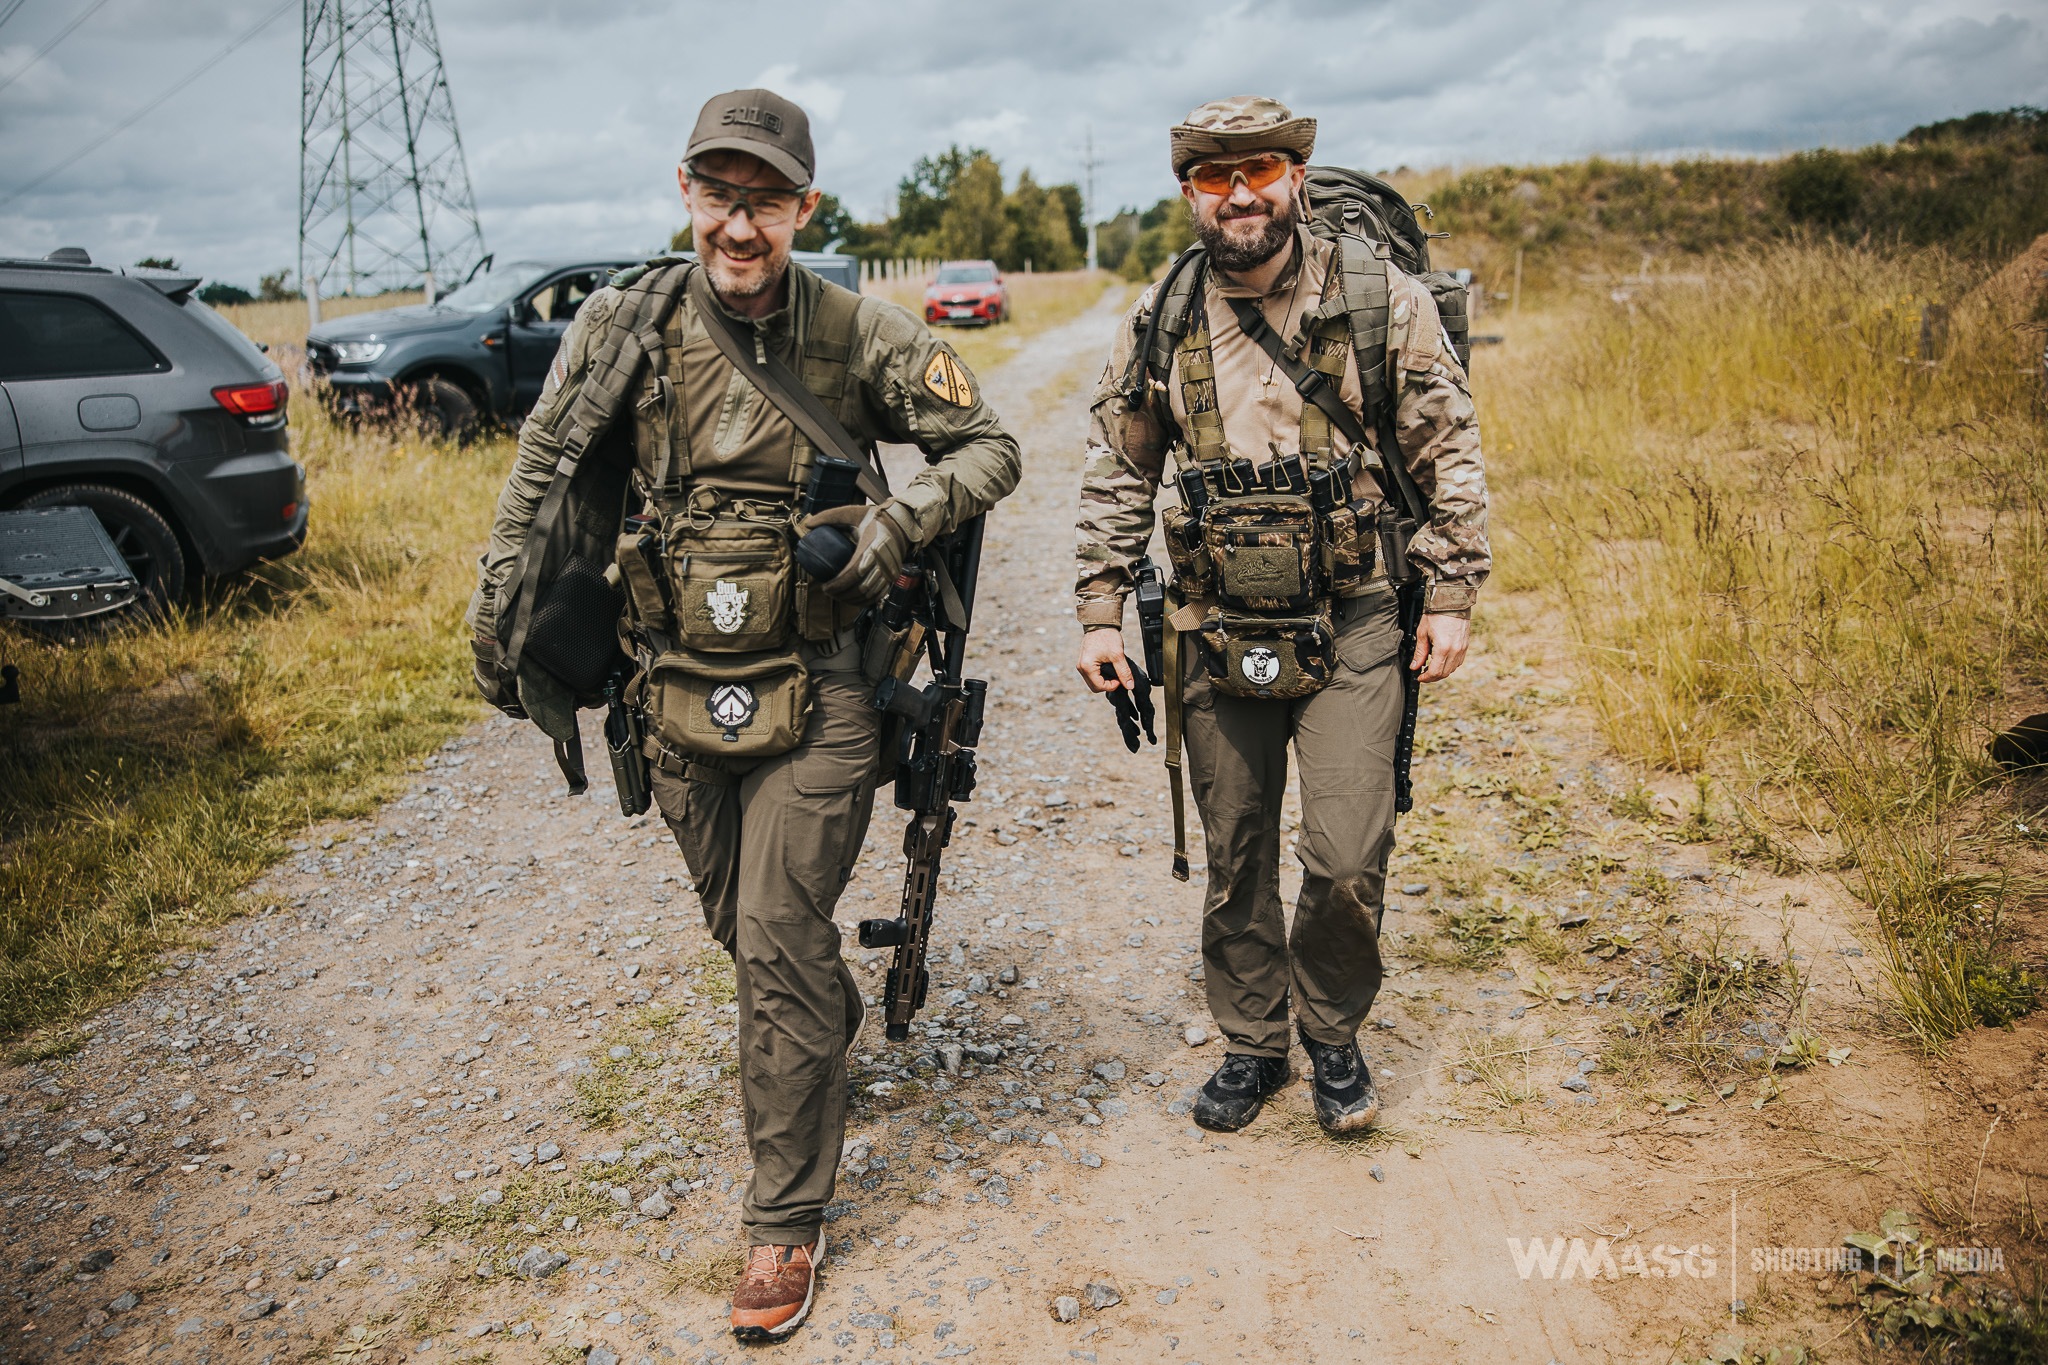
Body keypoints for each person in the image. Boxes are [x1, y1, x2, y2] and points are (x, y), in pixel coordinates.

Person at [466, 89, 1020, 1340]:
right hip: (673, 686)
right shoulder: (628, 327)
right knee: (743, 924)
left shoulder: (857, 333)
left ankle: (784, 1223)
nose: (738, 222)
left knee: (776, 926)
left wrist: (895, 524)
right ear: (685, 193)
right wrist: (506, 622)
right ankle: (819, 1046)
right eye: (719, 194)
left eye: (764, 198)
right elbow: (543, 472)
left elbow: (987, 447)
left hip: (822, 681)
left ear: (802, 209)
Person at [1072, 96, 1489, 1137]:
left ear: (1294, 176)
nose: (1239, 194)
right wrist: (1098, 608)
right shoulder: (1162, 313)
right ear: (1189, 194)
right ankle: (1253, 1042)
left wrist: (1447, 589)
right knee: (1236, 849)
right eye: (1215, 178)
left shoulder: (1374, 297)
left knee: (1346, 855)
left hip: (1352, 617)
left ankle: (1334, 1034)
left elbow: (1447, 446)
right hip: (1214, 627)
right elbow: (1117, 471)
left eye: (1257, 170)